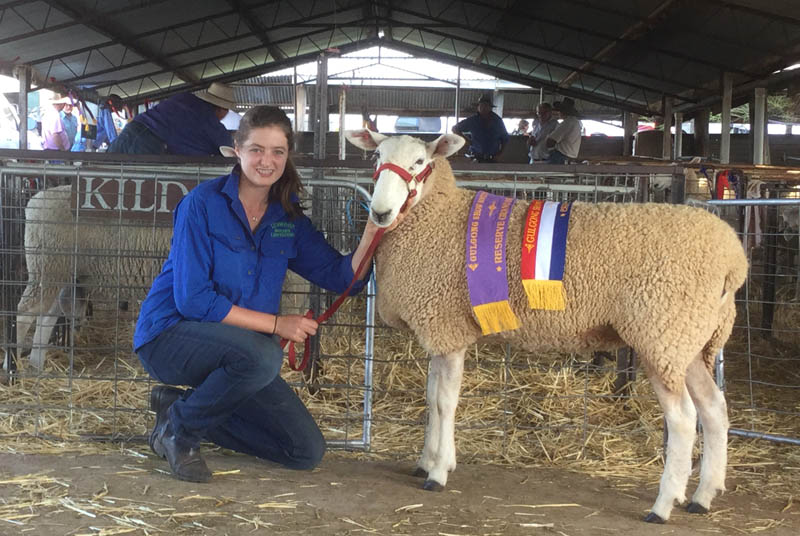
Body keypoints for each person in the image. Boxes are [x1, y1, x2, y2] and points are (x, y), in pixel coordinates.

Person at [133, 105, 400, 483]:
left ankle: (180, 408)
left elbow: (344, 278)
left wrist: (375, 228)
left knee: (304, 451)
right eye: (256, 149)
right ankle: (179, 432)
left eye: (277, 151)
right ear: (237, 150)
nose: (266, 160)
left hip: (243, 353)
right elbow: (193, 300)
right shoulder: (201, 205)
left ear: (287, 156)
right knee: (262, 356)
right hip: (171, 336)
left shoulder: (287, 219)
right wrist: (277, 324)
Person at [108, 82, 234, 156]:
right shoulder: (209, 119)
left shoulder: (185, 99)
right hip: (148, 143)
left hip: (131, 130)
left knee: (103, 169)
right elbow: (228, 148)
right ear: (222, 108)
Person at [451, 94, 509, 163]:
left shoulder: (497, 121)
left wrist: (500, 154)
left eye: (486, 105)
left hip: (492, 159)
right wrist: (467, 141)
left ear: (490, 108)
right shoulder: (473, 120)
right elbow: (455, 129)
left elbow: (505, 139)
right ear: (478, 107)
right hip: (476, 158)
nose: (483, 108)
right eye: (481, 105)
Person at [546, 98, 582, 165]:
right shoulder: (575, 122)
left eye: (559, 110)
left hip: (561, 156)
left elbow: (551, 140)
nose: (558, 112)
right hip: (569, 156)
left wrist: (550, 151)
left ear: (563, 111)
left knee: (552, 174)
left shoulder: (567, 122)